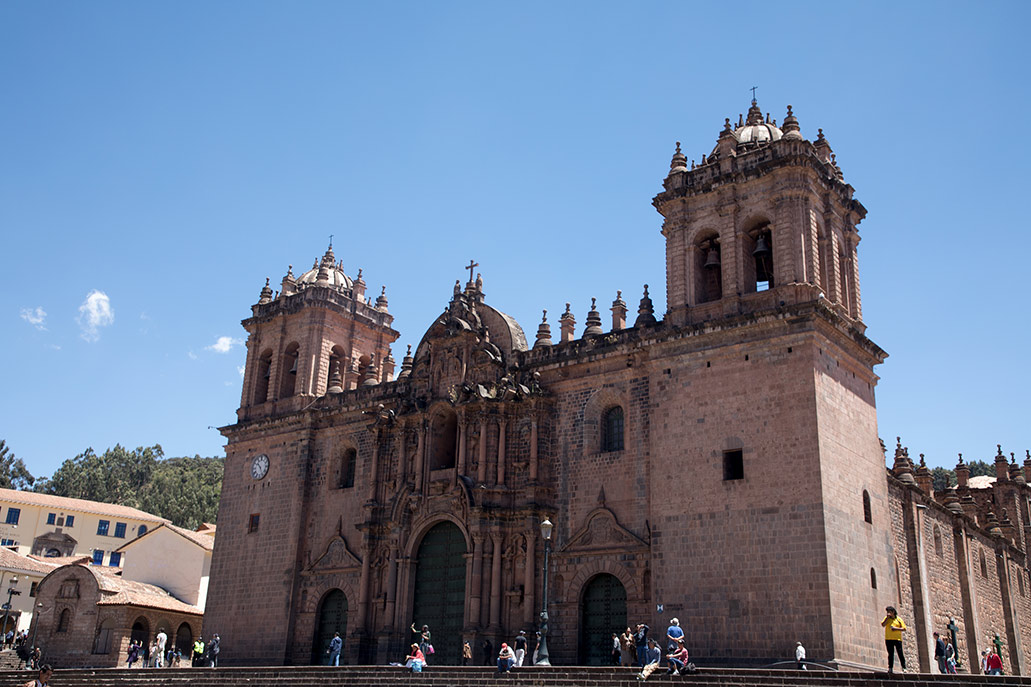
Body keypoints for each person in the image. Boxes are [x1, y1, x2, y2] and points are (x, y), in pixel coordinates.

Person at [880, 606, 906, 673]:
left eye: (889, 612)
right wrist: (887, 618)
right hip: (888, 639)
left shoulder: (899, 619)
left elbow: (904, 628)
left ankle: (904, 667)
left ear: (893, 612)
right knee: (890, 654)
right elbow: (883, 624)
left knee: (900, 653)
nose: (888, 613)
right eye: (887, 612)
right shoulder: (887, 619)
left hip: (897, 639)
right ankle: (890, 668)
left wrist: (895, 629)